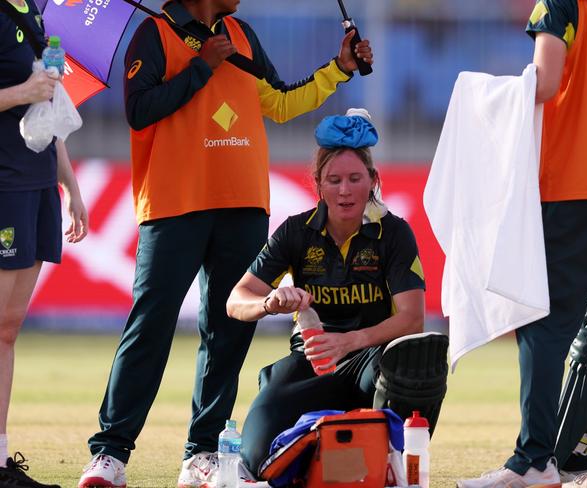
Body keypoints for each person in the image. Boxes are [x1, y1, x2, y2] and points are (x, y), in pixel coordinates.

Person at [77, 0, 374, 486]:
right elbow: (139, 111)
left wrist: (338, 69)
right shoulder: (155, 34)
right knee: (149, 326)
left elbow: (278, 101)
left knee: (227, 330)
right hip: (174, 204)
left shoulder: (240, 32)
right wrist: (202, 67)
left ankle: (204, 452)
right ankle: (110, 454)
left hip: (242, 204)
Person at [458, 0, 587, 487]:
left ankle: (535, 461)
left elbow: (543, 83)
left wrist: (478, 95)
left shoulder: (563, 2)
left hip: (577, 188)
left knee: (544, 325)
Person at [225, 109, 428, 477]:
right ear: (318, 183)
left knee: (417, 356)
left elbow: (412, 318)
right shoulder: (294, 232)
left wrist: (350, 341)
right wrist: (270, 302)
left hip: (371, 361)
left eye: (355, 178)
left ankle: (393, 461)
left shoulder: (394, 233)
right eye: (334, 180)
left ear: (373, 180)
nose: (345, 190)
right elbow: (236, 300)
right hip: (312, 362)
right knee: (254, 458)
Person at [0, 0, 89, 486]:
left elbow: (47, 111)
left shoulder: (33, 11)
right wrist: (20, 91)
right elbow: (27, 94)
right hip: (4, 183)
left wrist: (71, 188)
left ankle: (0, 459)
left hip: (37, 185)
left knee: (8, 329)